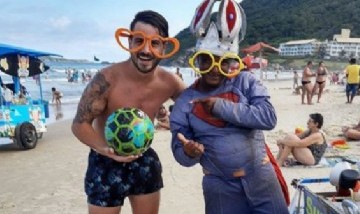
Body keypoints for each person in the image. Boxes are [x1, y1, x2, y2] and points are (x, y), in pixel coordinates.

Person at [169, 1, 288, 213]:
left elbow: (268, 118)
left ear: (231, 62)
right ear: (197, 62)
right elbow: (180, 153)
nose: (215, 69)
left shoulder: (246, 82)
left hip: (262, 179)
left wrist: (220, 107)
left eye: (222, 62)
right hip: (219, 188)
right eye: (207, 61)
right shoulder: (185, 102)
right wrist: (189, 152)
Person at [71, 10, 185, 214]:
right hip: (104, 161)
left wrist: (174, 118)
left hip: (144, 160)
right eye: (139, 41)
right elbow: (80, 124)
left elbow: (196, 110)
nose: (146, 50)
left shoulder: (170, 83)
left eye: (155, 43)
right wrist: (104, 148)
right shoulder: (106, 79)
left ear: (164, 46)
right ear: (129, 42)